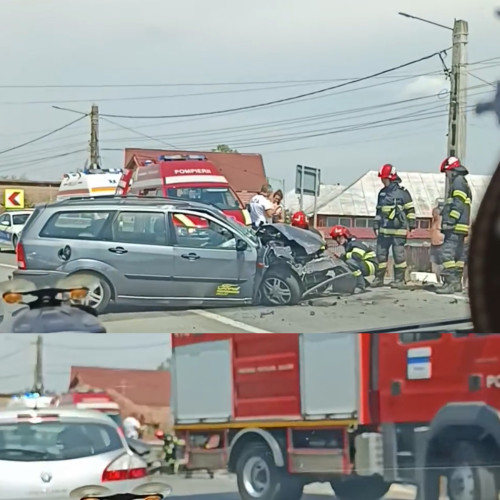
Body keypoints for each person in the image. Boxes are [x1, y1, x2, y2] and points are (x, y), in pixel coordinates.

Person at [372, 164, 416, 289]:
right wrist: (375, 225)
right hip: (383, 231)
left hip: (398, 232)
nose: (382, 181)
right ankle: (378, 278)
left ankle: (399, 280)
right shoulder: (382, 193)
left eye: (384, 178)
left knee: (399, 256)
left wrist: (411, 226)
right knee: (380, 255)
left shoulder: (403, 193)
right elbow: (378, 211)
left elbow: (411, 211)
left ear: (391, 178)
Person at [435, 156, 471, 294]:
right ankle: (456, 284)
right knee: (458, 255)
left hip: (455, 225)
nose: (446, 176)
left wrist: (450, 220)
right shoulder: (462, 182)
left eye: (447, 172)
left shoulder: (458, 182)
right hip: (461, 226)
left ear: (452, 170)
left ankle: (450, 283)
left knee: (446, 254)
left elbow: (458, 204)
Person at [330, 225, 378, 293]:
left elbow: (356, 256)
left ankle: (361, 286)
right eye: (336, 238)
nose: (338, 240)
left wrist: (343, 256)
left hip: (371, 265)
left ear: (346, 235)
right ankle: (364, 282)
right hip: (365, 264)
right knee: (342, 265)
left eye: (339, 237)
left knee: (350, 263)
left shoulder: (356, 243)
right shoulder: (349, 244)